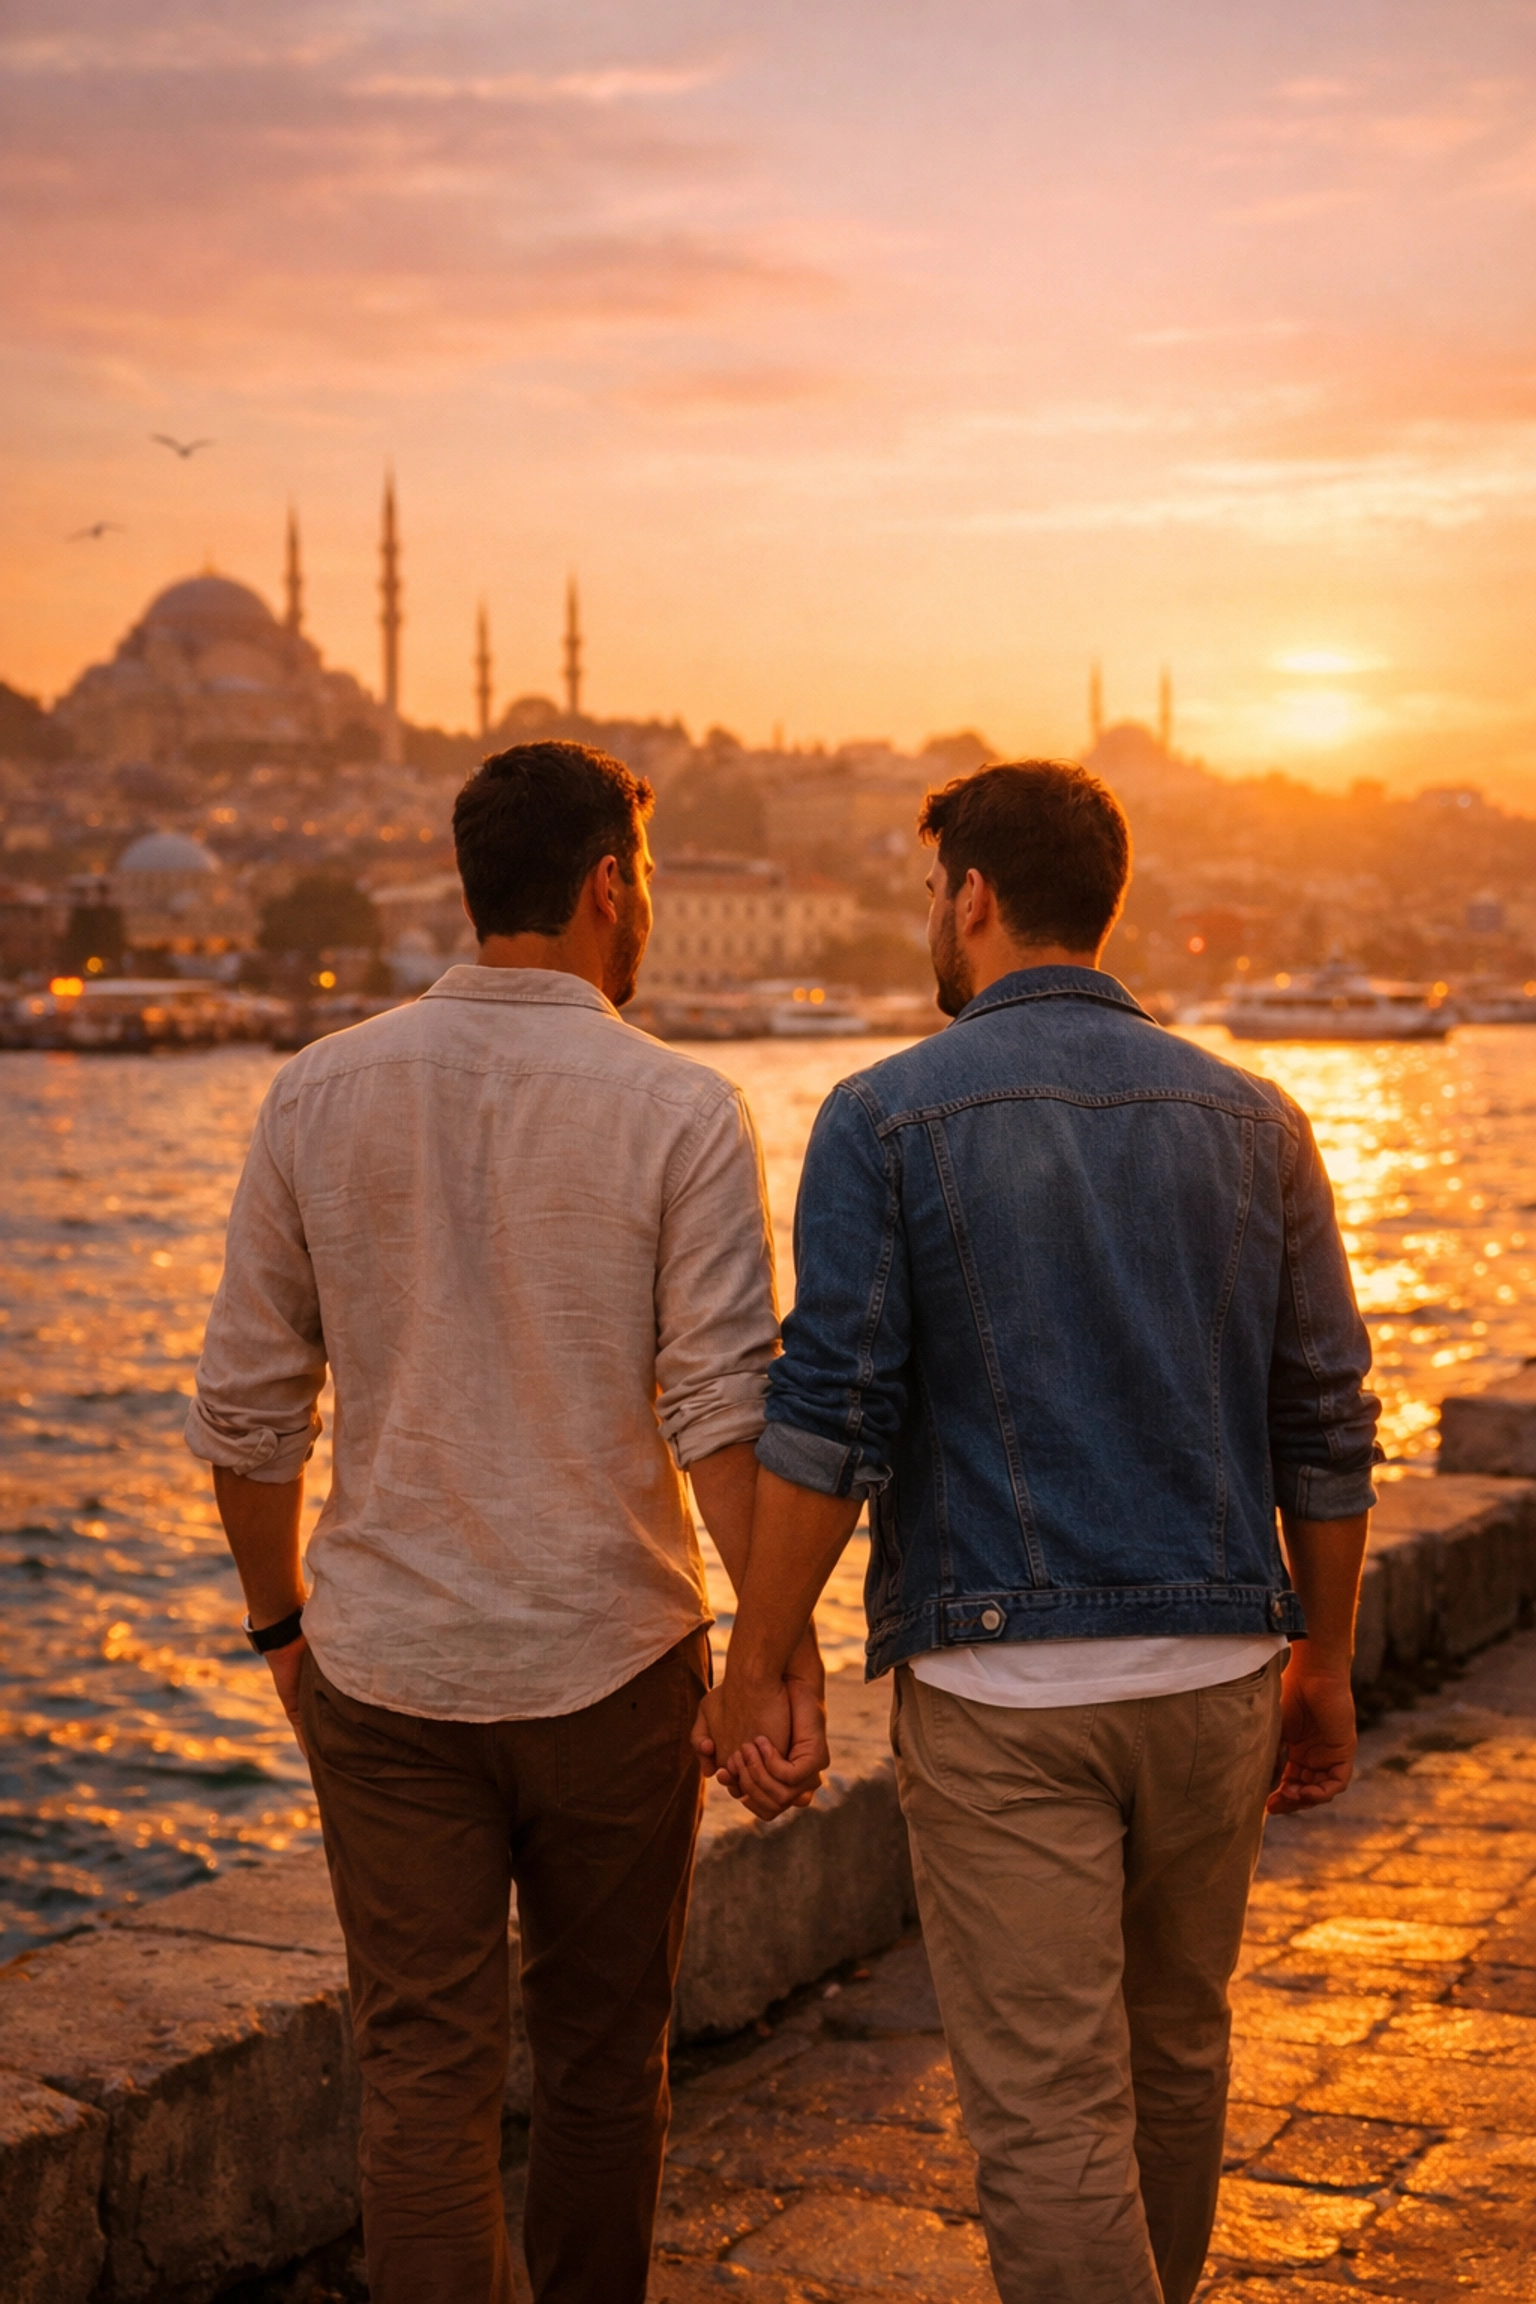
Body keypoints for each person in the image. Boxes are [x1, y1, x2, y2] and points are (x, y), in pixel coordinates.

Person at [697, 760, 1380, 2304]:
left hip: (1006, 1692)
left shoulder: (883, 1118)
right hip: (1215, 1681)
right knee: (1176, 2053)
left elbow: (830, 1420)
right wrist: (1324, 1660)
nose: (930, 918)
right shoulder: (1260, 1118)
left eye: (932, 891)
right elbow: (1326, 1417)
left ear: (975, 896)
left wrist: (760, 1664)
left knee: (1048, 2112)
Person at [187, 740, 824, 2304]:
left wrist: (283, 1629)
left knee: (423, 2071)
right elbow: (721, 1414)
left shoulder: (313, 1095)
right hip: (611, 1665)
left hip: (388, 1669)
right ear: (612, 884)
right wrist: (770, 1654)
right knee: (607, 2066)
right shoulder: (681, 1109)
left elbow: (249, 1416)